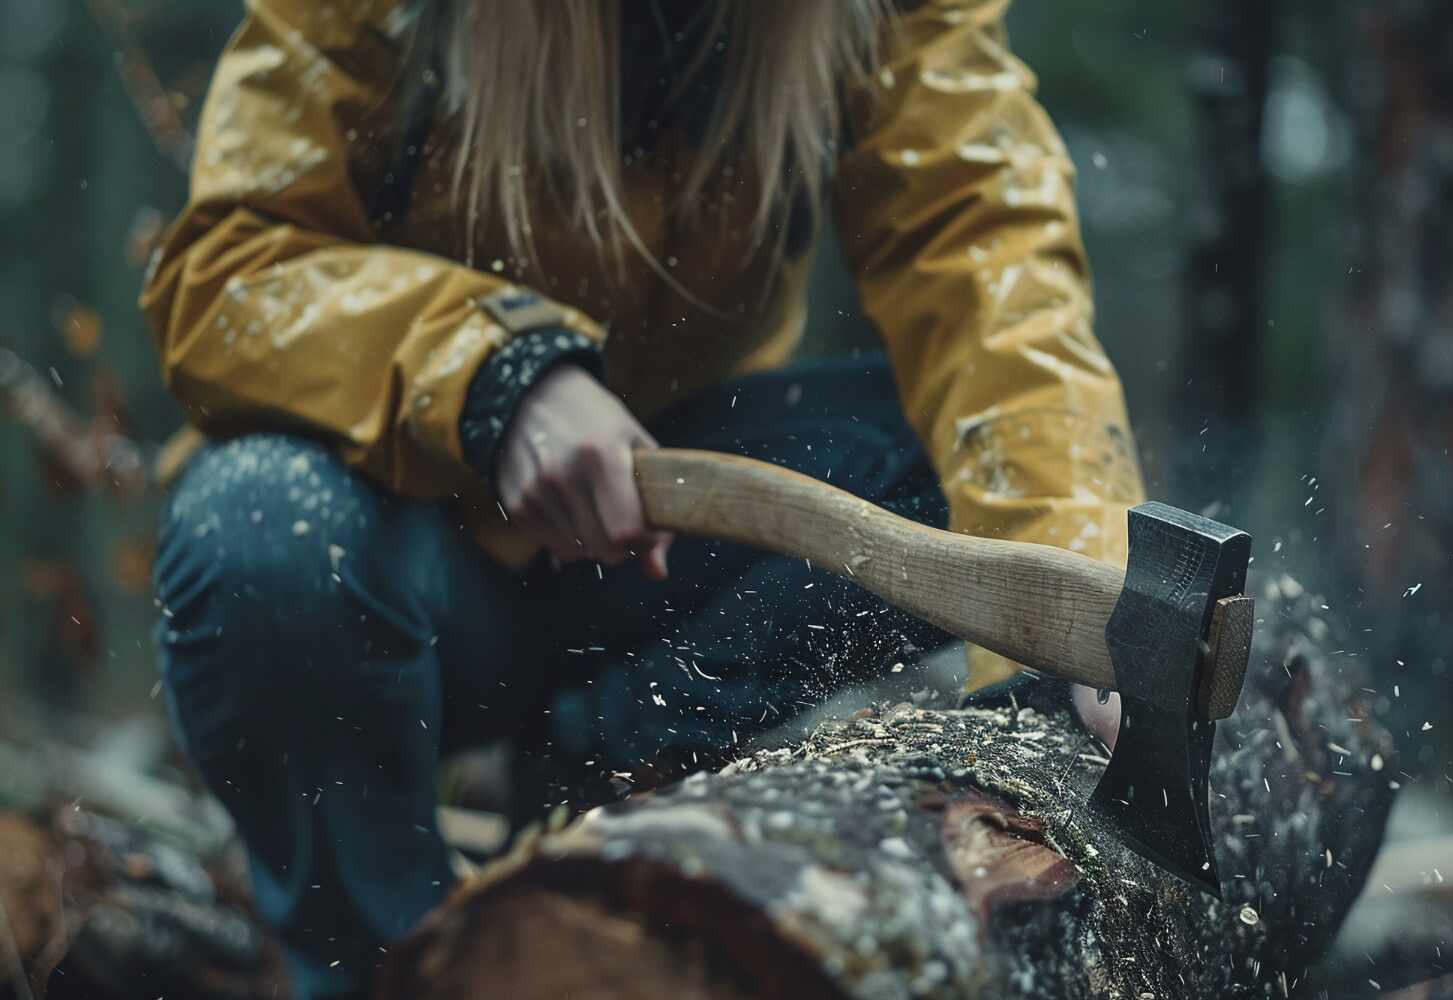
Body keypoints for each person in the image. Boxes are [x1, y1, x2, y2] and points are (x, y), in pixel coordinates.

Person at [141, 0, 1143, 995]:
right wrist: (494, 373)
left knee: (946, 465)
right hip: (406, 564)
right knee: (260, 530)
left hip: (664, 555)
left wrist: (1069, 598)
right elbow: (228, 271)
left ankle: (610, 753)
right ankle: (392, 962)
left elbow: (988, 267)